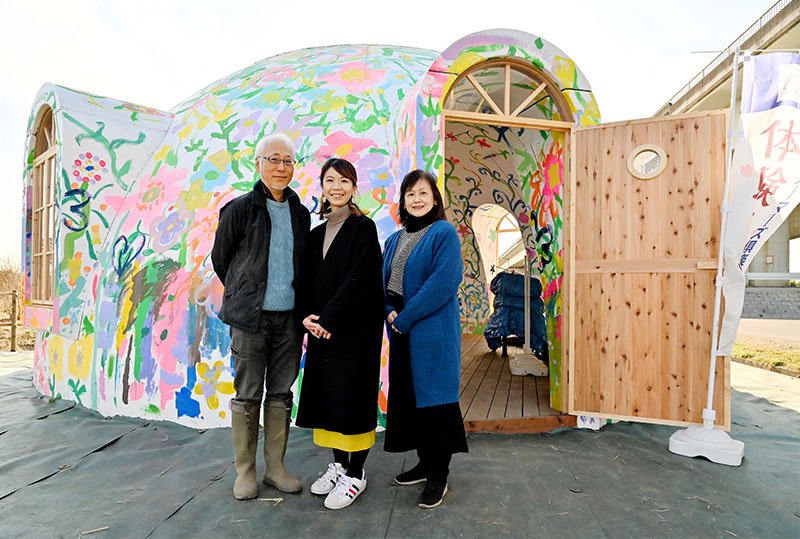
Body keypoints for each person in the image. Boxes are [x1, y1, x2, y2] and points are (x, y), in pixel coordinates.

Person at [211, 132, 311, 500]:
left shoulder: (301, 213)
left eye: (287, 161)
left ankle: (275, 469)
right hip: (250, 320)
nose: (281, 167)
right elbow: (222, 260)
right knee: (248, 394)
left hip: (289, 321)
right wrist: (246, 295)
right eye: (273, 159)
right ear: (258, 163)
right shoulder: (239, 209)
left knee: (281, 393)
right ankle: (245, 472)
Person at [295, 158, 384, 510]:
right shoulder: (316, 234)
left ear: (354, 187)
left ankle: (356, 473)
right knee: (330, 398)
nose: (337, 187)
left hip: (354, 333)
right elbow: (305, 280)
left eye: (344, 181)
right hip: (322, 331)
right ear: (322, 187)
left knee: (353, 398)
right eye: (330, 180)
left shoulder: (364, 228)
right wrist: (306, 316)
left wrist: (329, 319)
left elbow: (360, 280)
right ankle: (339, 465)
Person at [382, 169, 468, 509]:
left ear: (434, 199)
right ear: (403, 201)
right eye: (410, 194)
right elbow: (384, 284)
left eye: (423, 193)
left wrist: (404, 317)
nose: (416, 199)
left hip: (431, 333)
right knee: (411, 401)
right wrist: (389, 310)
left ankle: (438, 475)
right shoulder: (393, 240)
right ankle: (423, 464)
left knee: (436, 404)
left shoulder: (443, 233)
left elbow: (443, 282)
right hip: (401, 332)